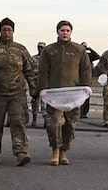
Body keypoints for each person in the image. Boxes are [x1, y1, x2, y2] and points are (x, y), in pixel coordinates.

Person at [0, 17, 37, 165]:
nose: (7, 32)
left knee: (18, 121)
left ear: (13, 31)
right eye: (4, 29)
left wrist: (34, 88)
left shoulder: (21, 49)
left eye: (9, 29)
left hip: (18, 93)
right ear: (0, 31)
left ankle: (21, 152)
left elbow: (30, 70)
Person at [38, 20, 97, 165]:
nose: (65, 33)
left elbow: (86, 70)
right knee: (55, 123)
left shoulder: (79, 50)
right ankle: (55, 150)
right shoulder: (49, 51)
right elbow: (43, 71)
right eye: (62, 30)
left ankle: (64, 150)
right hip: (54, 94)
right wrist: (43, 88)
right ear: (57, 32)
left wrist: (86, 86)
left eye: (67, 31)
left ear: (71, 32)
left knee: (70, 124)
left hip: (73, 93)